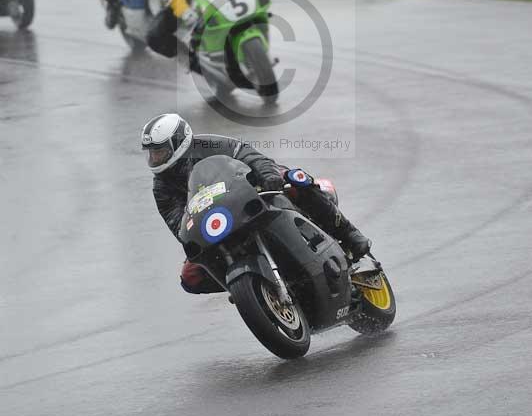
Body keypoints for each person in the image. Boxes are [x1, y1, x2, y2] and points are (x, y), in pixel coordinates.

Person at [141, 113, 370, 294]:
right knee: (190, 277)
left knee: (294, 180)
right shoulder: (161, 186)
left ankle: (350, 234)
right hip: (219, 223)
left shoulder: (209, 145)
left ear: (178, 142)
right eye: (151, 154)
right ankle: (253, 287)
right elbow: (179, 225)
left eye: (160, 152)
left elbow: (250, 156)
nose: (155, 159)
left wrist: (267, 174)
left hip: (250, 193)